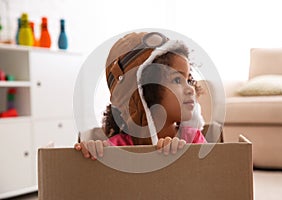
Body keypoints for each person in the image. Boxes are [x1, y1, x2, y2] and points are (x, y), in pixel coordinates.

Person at [74, 31, 206, 160]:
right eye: (177, 80)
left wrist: (183, 158)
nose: (191, 89)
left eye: (189, 80)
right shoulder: (116, 147)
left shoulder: (192, 139)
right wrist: (91, 153)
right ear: (144, 91)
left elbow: (210, 174)